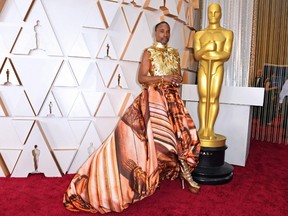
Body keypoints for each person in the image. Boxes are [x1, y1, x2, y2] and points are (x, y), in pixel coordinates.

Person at [63, 21, 201, 214]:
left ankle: (185, 173)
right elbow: (142, 78)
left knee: (181, 137)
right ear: (155, 33)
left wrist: (176, 79)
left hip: (172, 101)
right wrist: (164, 79)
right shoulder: (148, 52)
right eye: (162, 31)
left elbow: (176, 76)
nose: (165, 34)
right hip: (152, 101)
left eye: (168, 31)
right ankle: (150, 174)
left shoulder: (175, 53)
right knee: (154, 141)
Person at [194, 3, 234, 140]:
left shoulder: (227, 33)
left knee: (213, 98)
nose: (213, 15)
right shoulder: (200, 34)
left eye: (216, 12)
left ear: (221, 14)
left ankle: (210, 128)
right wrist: (207, 49)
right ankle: (202, 128)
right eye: (210, 12)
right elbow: (197, 55)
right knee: (203, 98)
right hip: (204, 68)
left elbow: (226, 54)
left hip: (217, 68)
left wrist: (212, 54)